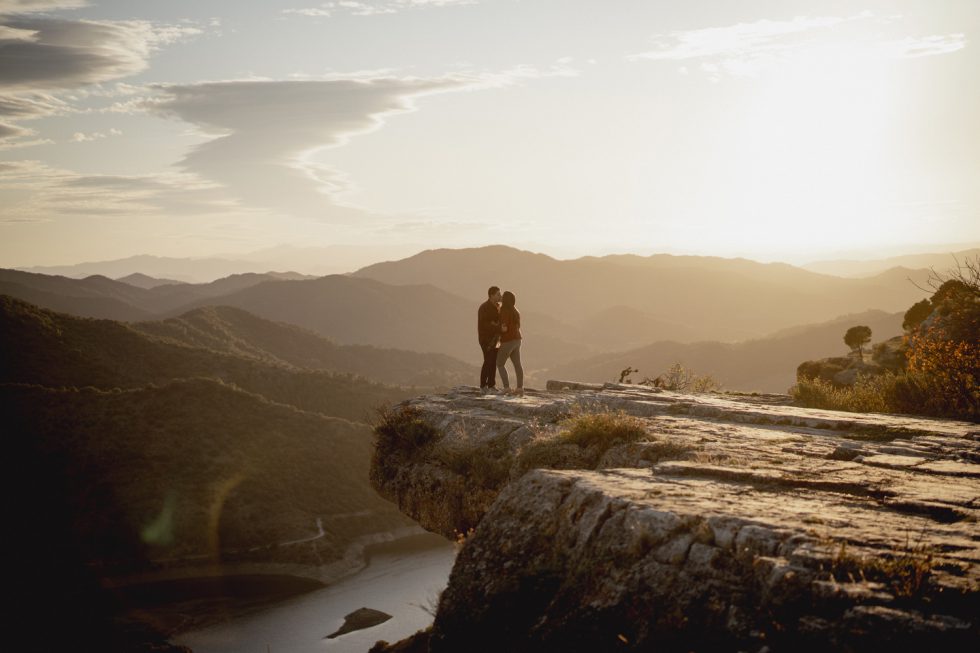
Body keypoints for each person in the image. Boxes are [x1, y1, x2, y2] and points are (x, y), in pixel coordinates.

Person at [496, 290, 524, 396]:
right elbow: (518, 326)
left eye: (503, 296)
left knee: (500, 363)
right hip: (518, 339)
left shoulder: (504, 311)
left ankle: (506, 387)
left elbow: (504, 328)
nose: (501, 297)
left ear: (506, 299)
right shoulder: (515, 311)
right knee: (517, 364)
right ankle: (520, 388)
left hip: (508, 340)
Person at [477, 286, 502, 393]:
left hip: (496, 339)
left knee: (493, 361)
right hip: (486, 339)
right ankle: (483, 386)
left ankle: (491, 385)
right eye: (498, 294)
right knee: (488, 361)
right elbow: (485, 324)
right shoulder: (484, 308)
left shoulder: (498, 307)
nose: (500, 296)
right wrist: (497, 327)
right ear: (491, 295)